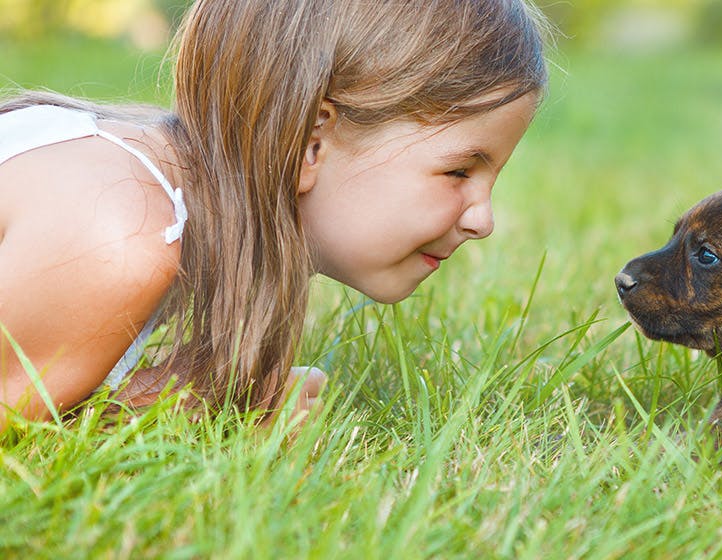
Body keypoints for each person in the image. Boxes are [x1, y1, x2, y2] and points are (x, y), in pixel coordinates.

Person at [0, 0, 549, 431]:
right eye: (459, 172)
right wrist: (175, 406)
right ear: (311, 143)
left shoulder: (155, 191)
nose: (483, 220)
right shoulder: (116, 238)